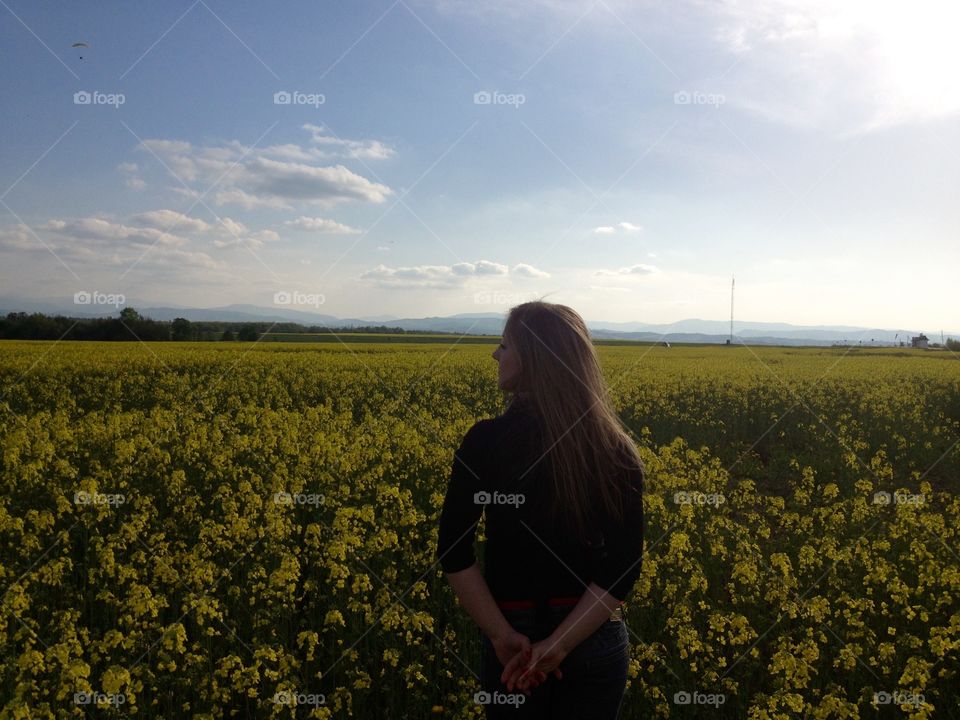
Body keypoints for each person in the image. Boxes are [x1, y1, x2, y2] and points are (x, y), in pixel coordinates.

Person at [436, 301, 645, 718]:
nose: (496, 354)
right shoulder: (615, 448)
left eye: (504, 345)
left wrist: (501, 638)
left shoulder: (484, 442)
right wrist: (562, 644)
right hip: (594, 638)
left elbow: (453, 552)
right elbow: (623, 565)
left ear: (532, 358)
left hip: (514, 638)